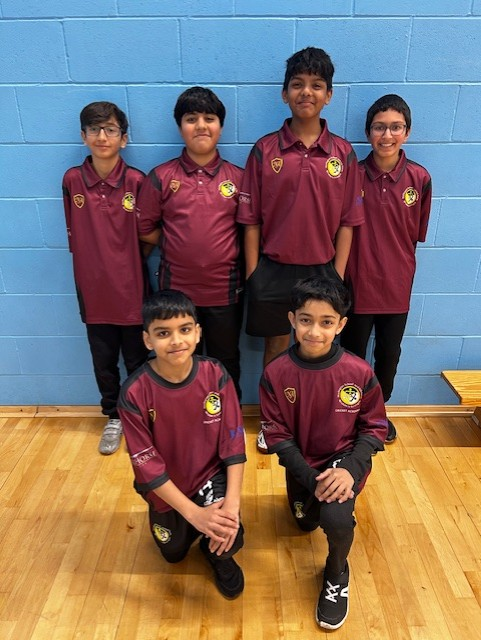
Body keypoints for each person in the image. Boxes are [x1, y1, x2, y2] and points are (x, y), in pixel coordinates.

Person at [236, 47, 364, 451]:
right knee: (276, 347)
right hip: (272, 269)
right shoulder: (264, 150)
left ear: (329, 95)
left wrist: (337, 274)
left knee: (318, 348)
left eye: (316, 85)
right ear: (284, 93)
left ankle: (317, 424)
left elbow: (348, 222)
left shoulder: (343, 153)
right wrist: (254, 273)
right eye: (297, 84)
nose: (306, 92)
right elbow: (251, 219)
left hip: (323, 270)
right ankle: (272, 424)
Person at [259, 276, 387, 630]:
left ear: (341, 325)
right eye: (306, 320)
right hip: (304, 466)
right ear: (292, 319)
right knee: (304, 523)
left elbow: (375, 428)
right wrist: (311, 478)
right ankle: (319, 502)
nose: (314, 331)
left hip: (343, 461)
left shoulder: (358, 372)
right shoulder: (275, 373)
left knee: (336, 520)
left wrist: (349, 469)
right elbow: (277, 435)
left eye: (326, 322)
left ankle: (336, 572)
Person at [117, 289, 246, 599]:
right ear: (148, 340)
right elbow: (148, 468)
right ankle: (186, 523)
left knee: (231, 533)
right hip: (167, 486)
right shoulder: (134, 393)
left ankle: (217, 555)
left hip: (208, 478)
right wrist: (194, 514)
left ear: (198, 333)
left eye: (184, 329)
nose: (176, 340)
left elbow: (233, 442)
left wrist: (232, 504)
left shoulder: (215, 374)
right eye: (163, 333)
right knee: (173, 554)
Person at [136, 87, 244, 399]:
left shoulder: (238, 177)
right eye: (191, 118)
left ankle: (228, 416)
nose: (200, 126)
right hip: (177, 293)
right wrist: (176, 241)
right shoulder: (161, 176)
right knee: (180, 362)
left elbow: (250, 230)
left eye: (209, 118)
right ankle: (183, 415)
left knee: (225, 360)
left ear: (220, 126)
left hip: (224, 291)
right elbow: (144, 228)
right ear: (179, 126)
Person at [341, 94, 432, 442]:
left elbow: (415, 235)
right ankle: (348, 416)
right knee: (351, 356)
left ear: (407, 132)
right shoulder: (352, 175)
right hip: (356, 284)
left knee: (388, 355)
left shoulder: (420, 178)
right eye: (379, 127)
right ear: (368, 132)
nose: (387, 135)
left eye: (396, 127)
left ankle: (377, 414)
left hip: (396, 286)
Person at [62, 101, 149, 455]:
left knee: (137, 359)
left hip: (131, 288)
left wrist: (125, 262)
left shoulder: (137, 181)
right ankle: (113, 416)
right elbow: (74, 235)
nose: (102, 136)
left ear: (123, 138)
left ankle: (140, 416)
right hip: (93, 290)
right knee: (103, 360)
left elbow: (147, 236)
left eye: (110, 129)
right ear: (83, 136)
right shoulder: (72, 180)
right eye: (94, 129)